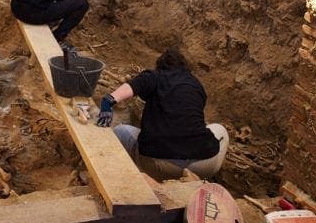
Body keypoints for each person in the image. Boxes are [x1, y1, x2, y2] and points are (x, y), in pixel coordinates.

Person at [96, 47, 229, 181]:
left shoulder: (154, 77)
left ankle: (126, 176)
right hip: (202, 165)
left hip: (158, 165)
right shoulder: (196, 84)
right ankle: (204, 180)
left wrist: (108, 102)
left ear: (159, 67)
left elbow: (130, 87)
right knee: (220, 129)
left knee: (120, 130)